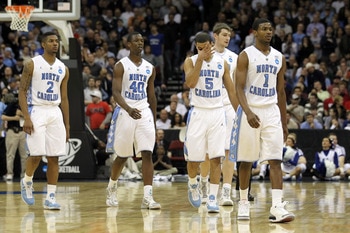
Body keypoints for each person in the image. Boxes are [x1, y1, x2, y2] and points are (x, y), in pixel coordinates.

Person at [231, 18, 294, 222]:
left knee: (276, 159)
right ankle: (242, 202)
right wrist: (247, 112)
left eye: (270, 29)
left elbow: (281, 92)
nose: (269, 32)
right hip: (251, 110)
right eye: (264, 29)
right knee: (247, 160)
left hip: (272, 111)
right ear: (255, 32)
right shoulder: (245, 55)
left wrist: (284, 123)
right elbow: (238, 87)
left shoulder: (279, 57)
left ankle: (277, 207)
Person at [105, 32, 160, 210]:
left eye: (142, 40)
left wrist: (154, 119)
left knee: (147, 153)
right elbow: (115, 92)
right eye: (136, 40)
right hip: (125, 112)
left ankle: (148, 197)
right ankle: (111, 187)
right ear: (128, 44)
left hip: (144, 112)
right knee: (122, 156)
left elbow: (152, 96)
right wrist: (128, 109)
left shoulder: (150, 67)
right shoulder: (121, 66)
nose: (140, 42)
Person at [184, 32, 238, 213]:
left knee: (216, 157)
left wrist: (240, 112)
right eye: (199, 48)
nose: (203, 50)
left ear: (211, 44)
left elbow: (231, 91)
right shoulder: (190, 61)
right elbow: (191, 83)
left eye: (205, 47)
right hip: (198, 113)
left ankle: (213, 197)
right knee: (194, 159)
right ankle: (193, 184)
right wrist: (200, 59)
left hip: (217, 113)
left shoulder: (223, 63)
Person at [18, 31, 70, 210]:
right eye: (51, 41)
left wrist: (67, 124)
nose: (55, 44)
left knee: (54, 157)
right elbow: (22, 92)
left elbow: (64, 99)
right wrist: (27, 117)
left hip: (55, 112)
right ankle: (27, 181)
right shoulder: (32, 64)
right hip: (37, 110)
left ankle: (50, 197)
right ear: (43, 44)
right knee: (36, 154)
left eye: (56, 41)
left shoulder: (63, 68)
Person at [198, 23, 240, 207]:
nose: (227, 38)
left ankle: (226, 191)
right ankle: (204, 184)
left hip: (229, 107)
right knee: (208, 152)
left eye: (229, 35)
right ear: (214, 36)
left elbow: (237, 86)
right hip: (210, 107)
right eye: (224, 34)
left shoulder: (234, 58)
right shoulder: (206, 55)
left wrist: (240, 109)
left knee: (228, 151)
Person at [1, 93, 26, 182]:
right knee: (10, 154)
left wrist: (22, 114)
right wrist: (14, 118)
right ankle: (9, 173)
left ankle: (24, 174)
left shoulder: (28, 106)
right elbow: (3, 117)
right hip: (12, 131)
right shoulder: (13, 105)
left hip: (23, 131)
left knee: (24, 155)